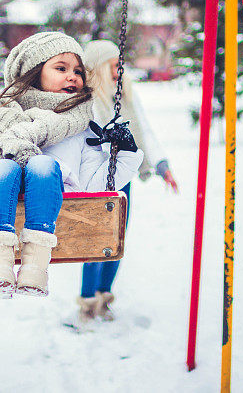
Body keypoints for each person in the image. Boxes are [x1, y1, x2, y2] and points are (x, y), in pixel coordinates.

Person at [0, 32, 144, 299]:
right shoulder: (6, 120)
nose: (73, 76)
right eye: (61, 68)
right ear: (34, 72)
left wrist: (127, 152)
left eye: (77, 71)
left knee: (42, 165)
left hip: (59, 213)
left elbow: (96, 185)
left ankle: (34, 267)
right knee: (2, 168)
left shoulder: (81, 129)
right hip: (4, 199)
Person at [75, 39, 179, 324]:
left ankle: (104, 296)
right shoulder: (86, 101)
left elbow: (143, 129)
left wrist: (161, 165)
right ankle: (87, 303)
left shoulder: (126, 95)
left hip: (123, 180)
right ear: (98, 67)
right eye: (112, 64)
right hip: (95, 182)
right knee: (95, 243)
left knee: (116, 241)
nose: (118, 69)